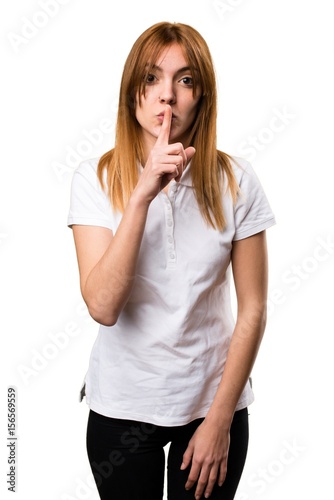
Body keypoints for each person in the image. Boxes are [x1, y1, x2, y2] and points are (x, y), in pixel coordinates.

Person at [67, 21, 276, 500]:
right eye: (151, 78)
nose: (167, 96)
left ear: (202, 95)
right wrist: (141, 195)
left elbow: (254, 310)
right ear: (131, 92)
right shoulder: (94, 178)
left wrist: (220, 420)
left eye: (184, 80)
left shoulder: (236, 180)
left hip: (212, 403)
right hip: (123, 404)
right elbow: (103, 306)